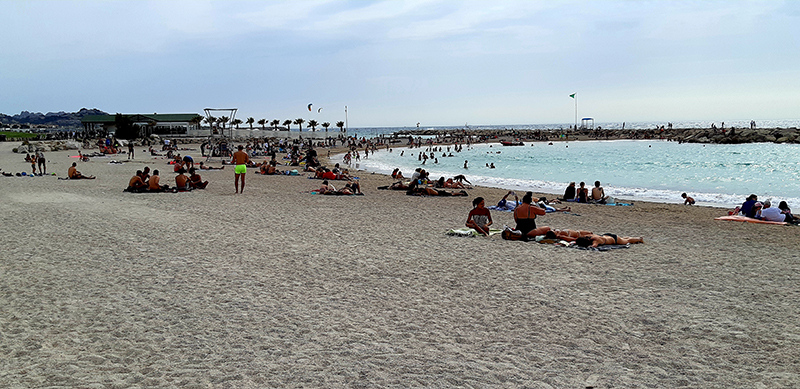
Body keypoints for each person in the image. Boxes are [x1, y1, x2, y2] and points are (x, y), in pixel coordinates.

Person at [575, 233, 644, 248]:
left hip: (614, 239)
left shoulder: (595, 241)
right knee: (623, 239)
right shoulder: (590, 236)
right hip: (607, 235)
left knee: (627, 241)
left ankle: (639, 239)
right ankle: (631, 236)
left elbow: (594, 246)